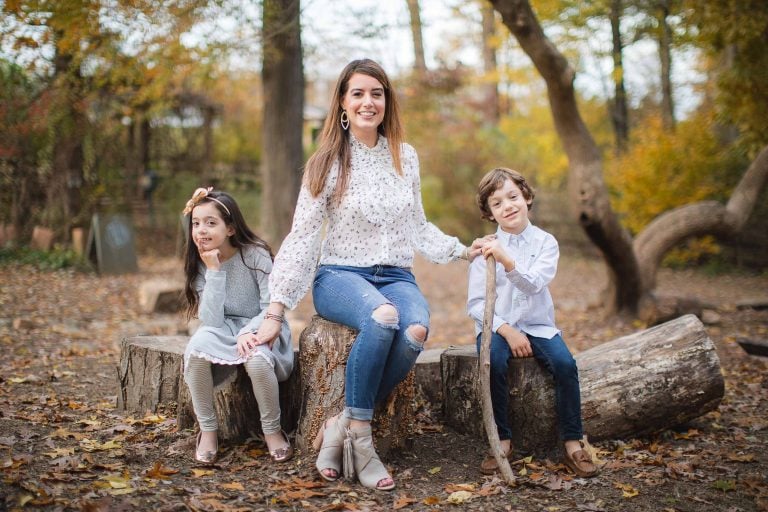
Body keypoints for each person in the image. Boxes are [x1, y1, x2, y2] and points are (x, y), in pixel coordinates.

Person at [255, 58, 487, 491]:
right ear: (343, 103)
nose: (368, 102)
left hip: (396, 275)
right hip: (340, 276)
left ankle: (342, 423)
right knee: (382, 319)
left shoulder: (406, 156)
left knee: (415, 329)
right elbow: (303, 236)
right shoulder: (325, 161)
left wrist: (461, 250)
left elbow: (417, 223)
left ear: (387, 101)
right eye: (358, 93)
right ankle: (363, 440)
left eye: (376, 93)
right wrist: (276, 307)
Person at [467, 168, 598, 478]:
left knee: (565, 365)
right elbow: (475, 304)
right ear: (490, 213)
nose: (507, 206)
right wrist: (507, 331)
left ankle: (572, 442)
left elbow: (535, 284)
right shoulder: (484, 248)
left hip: (538, 324)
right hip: (497, 325)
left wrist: (507, 259)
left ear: (526, 197)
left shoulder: (545, 242)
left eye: (513, 197)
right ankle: (502, 440)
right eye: (497, 203)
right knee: (493, 363)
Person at [181, 187, 294, 465]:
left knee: (256, 362)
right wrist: (214, 271)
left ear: (230, 228)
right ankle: (208, 430)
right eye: (196, 223)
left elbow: (271, 305)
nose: (201, 230)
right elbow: (212, 320)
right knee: (196, 351)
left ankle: (272, 431)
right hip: (224, 329)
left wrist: (249, 332)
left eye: (211, 222)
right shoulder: (200, 261)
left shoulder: (254, 254)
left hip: (262, 325)